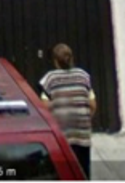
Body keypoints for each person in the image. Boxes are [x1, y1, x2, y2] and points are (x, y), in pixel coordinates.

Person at [39, 43, 96, 179]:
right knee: (82, 171)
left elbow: (44, 107)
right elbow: (93, 105)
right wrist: (83, 119)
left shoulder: (50, 78)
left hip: (61, 136)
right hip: (82, 134)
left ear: (55, 61)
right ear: (72, 58)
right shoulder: (83, 76)